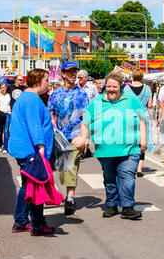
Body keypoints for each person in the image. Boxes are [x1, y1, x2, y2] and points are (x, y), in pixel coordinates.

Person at [74, 71, 147, 220]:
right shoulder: (96, 102)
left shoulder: (131, 99)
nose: (111, 89)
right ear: (104, 87)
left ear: (121, 86)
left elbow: (142, 120)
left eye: (114, 86)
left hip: (129, 147)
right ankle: (112, 205)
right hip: (105, 149)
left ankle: (127, 207)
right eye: (108, 86)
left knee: (127, 176)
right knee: (110, 178)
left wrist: (144, 139)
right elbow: (86, 122)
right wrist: (82, 138)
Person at [9, 68, 56, 236]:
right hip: (31, 150)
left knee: (27, 185)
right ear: (37, 82)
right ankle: (38, 224)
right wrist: (41, 147)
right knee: (36, 186)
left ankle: (21, 220)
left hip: (24, 148)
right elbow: (34, 124)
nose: (48, 83)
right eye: (46, 80)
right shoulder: (32, 98)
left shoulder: (25, 96)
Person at [48, 62, 89, 216]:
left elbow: (86, 116)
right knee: (63, 169)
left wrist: (84, 137)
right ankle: (68, 193)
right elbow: (51, 113)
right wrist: (53, 128)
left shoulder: (81, 94)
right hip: (60, 136)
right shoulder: (56, 94)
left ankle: (70, 198)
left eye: (75, 72)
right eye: (70, 72)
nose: (73, 75)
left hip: (75, 136)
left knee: (71, 166)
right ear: (63, 74)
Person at [124, 68, 154, 178]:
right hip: (143, 116)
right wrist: (151, 118)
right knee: (142, 142)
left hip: (130, 116)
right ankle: (139, 169)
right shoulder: (147, 89)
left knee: (131, 141)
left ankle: (130, 165)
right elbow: (150, 105)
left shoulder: (126, 88)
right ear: (142, 77)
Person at [77, 70, 98, 159]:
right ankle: (84, 149)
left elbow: (97, 99)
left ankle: (85, 149)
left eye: (81, 78)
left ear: (86, 78)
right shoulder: (76, 88)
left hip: (89, 113)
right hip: (77, 113)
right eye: (78, 78)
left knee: (87, 131)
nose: (79, 79)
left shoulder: (92, 87)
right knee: (79, 131)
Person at [0, 82, 12, 154]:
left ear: (6, 87)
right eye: (2, 88)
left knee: (6, 131)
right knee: (0, 131)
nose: (3, 89)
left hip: (8, 113)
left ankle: (5, 148)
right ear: (0, 89)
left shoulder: (9, 95)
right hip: (0, 114)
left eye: (4, 87)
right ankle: (0, 145)